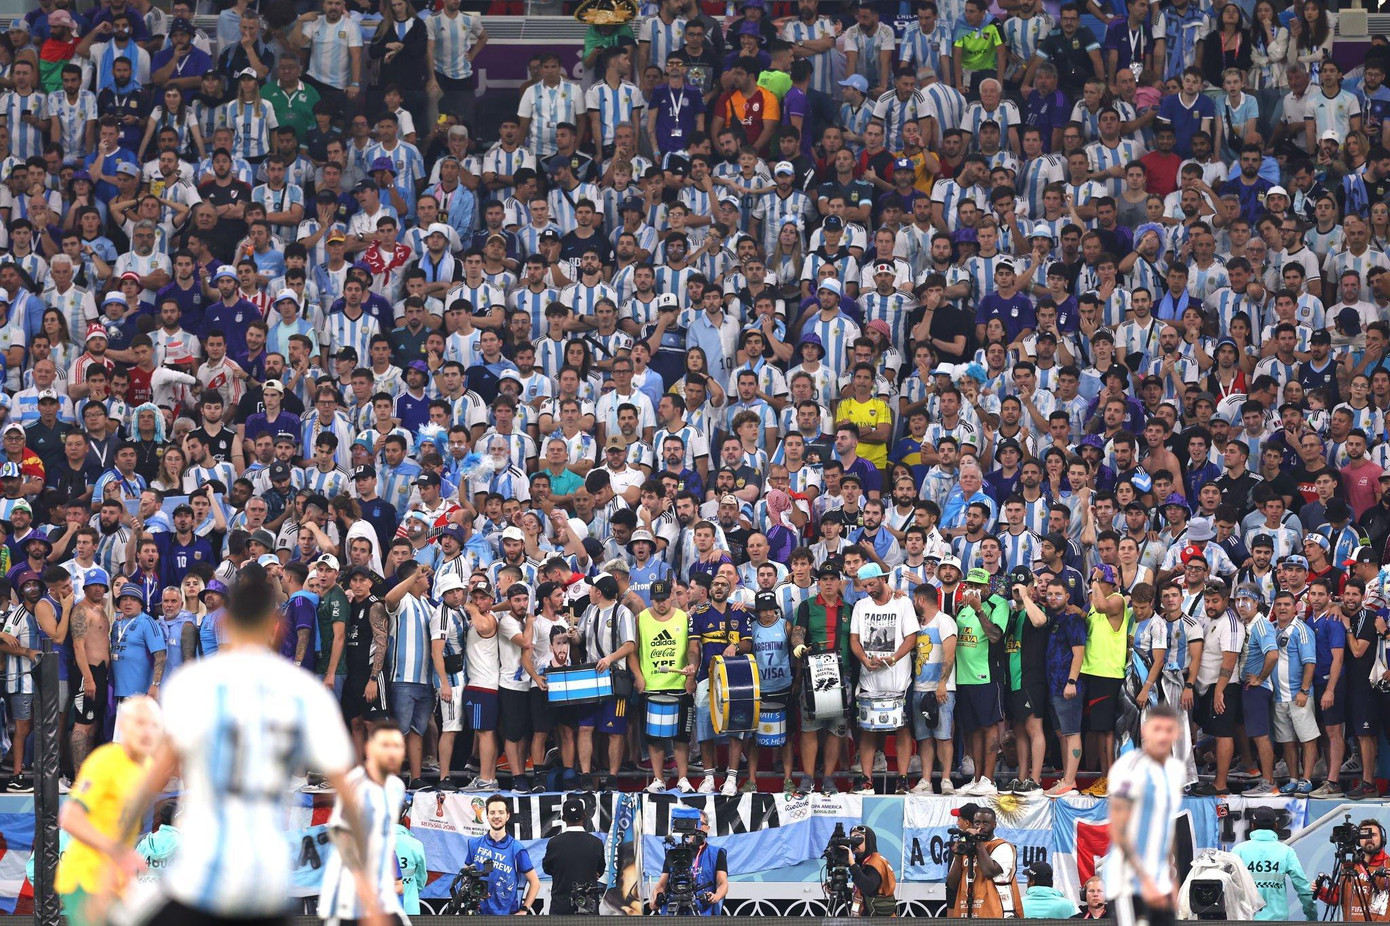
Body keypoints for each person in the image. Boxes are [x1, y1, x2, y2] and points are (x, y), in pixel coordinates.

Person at [116, 563, 383, 926]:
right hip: (264, 887)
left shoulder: (192, 684)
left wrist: (114, 849)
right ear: (277, 627)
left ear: (223, 624)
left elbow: (152, 780)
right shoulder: (303, 692)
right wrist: (368, 886)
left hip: (199, 881)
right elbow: (351, 796)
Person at [55, 697, 162, 926]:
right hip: (87, 878)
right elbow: (70, 818)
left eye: (154, 725)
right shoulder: (104, 761)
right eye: (140, 723)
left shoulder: (148, 767)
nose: (147, 731)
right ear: (123, 726)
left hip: (116, 880)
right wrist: (116, 850)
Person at [316, 721, 408, 926]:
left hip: (384, 898)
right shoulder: (356, 787)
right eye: (385, 745)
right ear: (369, 749)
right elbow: (344, 841)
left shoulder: (396, 788)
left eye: (397, 745)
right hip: (346, 901)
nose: (392, 752)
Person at [1104, 705, 1186, 926]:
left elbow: (1166, 829)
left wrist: (1172, 879)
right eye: (1157, 728)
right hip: (1127, 881)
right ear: (1145, 731)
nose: (1162, 735)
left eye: (1168, 729)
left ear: (1176, 733)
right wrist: (1145, 880)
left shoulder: (1175, 771)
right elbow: (1119, 831)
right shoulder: (1128, 768)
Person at [1231, 806, 1317, 921]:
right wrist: (1312, 917)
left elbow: (1227, 889)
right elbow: (1304, 889)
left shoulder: (1238, 850)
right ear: (1276, 826)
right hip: (1278, 921)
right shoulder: (1286, 852)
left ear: (1252, 826)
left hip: (1245, 920)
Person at [463, 794, 541, 915]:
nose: (497, 816)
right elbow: (464, 875)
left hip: (508, 914)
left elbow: (535, 882)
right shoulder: (474, 844)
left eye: (501, 812)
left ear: (507, 816)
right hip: (479, 914)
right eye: (492, 812)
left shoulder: (517, 849)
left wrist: (524, 910)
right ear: (487, 816)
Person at [947, 805, 1021, 917]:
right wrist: (957, 857)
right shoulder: (967, 847)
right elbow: (952, 884)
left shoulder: (1002, 846)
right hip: (966, 912)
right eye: (977, 823)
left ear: (994, 825)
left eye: (985, 823)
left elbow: (989, 871)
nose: (980, 827)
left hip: (996, 913)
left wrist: (978, 843)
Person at [654, 805, 728, 916]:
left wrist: (716, 896)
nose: (695, 828)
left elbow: (723, 883)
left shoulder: (717, 853)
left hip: (702, 911)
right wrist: (656, 898)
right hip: (673, 909)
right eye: (692, 824)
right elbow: (661, 884)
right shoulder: (674, 852)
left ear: (706, 828)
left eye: (699, 824)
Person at [541, 796, 606, 915]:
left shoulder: (554, 843)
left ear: (563, 818)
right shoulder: (596, 843)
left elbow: (547, 868)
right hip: (588, 909)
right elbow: (599, 870)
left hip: (561, 908)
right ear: (584, 816)